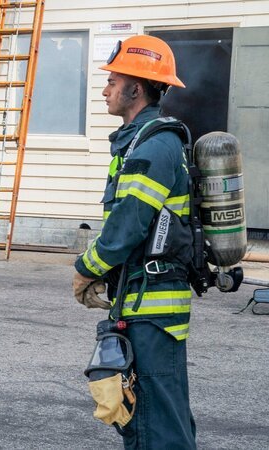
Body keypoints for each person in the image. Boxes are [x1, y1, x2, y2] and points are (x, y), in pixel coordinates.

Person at [73, 35, 196, 449]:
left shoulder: (155, 146)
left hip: (152, 310)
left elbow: (129, 224)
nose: (105, 90)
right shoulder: (139, 143)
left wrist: (84, 269)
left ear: (136, 88)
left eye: (112, 81)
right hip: (140, 302)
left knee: (155, 423)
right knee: (145, 416)